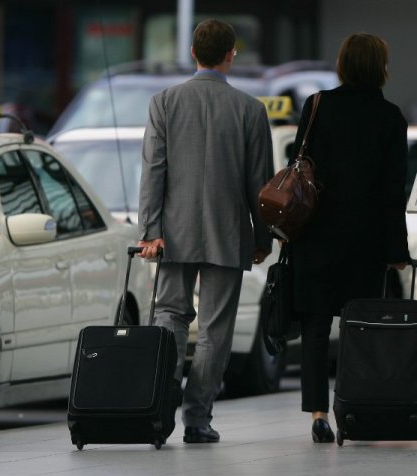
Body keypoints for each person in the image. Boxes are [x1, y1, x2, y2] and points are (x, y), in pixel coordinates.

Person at [137, 19, 274, 444]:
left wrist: (150, 230)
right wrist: (262, 236)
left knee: (169, 317)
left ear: (193, 53)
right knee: (216, 330)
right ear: (231, 54)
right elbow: (261, 184)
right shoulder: (251, 110)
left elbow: (153, 171)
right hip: (228, 233)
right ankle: (197, 419)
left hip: (172, 235)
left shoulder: (164, 102)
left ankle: (159, 412)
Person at [288, 33, 410, 443]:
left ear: (343, 64)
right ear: (381, 67)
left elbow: (296, 169)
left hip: (315, 235)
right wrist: (397, 251)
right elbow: (394, 190)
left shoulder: (317, 106)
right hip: (366, 242)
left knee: (316, 326)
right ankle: (355, 406)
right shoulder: (390, 117)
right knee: (361, 328)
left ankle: (318, 414)